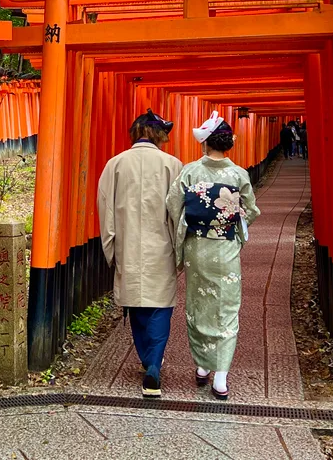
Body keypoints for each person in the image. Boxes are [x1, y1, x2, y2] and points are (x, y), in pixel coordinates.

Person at [167, 112, 261, 400]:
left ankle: (202, 367)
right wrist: (234, 219)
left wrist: (189, 221)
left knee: (198, 303)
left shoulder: (191, 171)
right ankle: (220, 376)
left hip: (198, 246)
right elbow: (252, 211)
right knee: (226, 306)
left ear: (205, 143)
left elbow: (173, 203)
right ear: (228, 143)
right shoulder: (239, 174)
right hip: (226, 247)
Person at [97, 109, 183, 398]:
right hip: (162, 246)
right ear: (158, 135)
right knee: (160, 304)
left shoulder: (115, 165)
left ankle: (148, 361)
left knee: (136, 304)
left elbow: (106, 209)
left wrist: (111, 248)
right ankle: (154, 365)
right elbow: (179, 213)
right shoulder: (173, 165)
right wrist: (180, 250)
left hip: (129, 244)